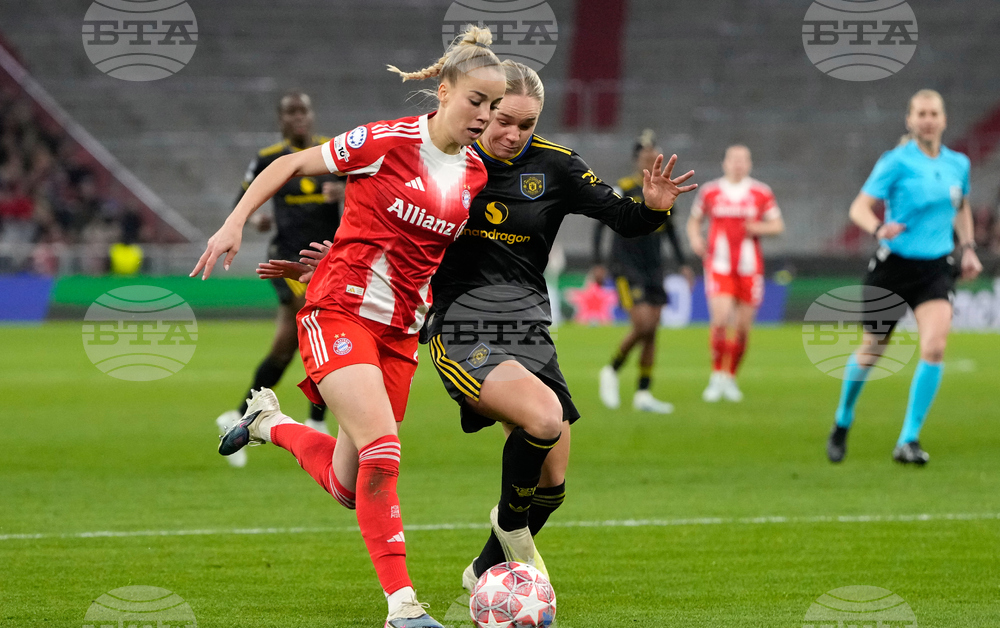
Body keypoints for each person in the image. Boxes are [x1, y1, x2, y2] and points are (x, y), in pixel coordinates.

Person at [258, 61, 698, 594]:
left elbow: (623, 217)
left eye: (526, 124)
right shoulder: (448, 163)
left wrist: (653, 211)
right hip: (462, 325)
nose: (512, 133)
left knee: (552, 482)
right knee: (542, 420)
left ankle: (485, 572)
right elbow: (394, 232)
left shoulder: (557, 168)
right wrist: (341, 259)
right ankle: (506, 537)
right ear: (482, 109)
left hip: (530, 329)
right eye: (501, 118)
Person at [190, 26, 506, 628]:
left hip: (400, 334)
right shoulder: (386, 140)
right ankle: (403, 606)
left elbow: (414, 252)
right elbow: (290, 163)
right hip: (338, 311)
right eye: (476, 101)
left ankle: (268, 424)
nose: (485, 116)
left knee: (348, 481)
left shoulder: (473, 177)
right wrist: (233, 224)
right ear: (444, 92)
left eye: (493, 106)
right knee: (383, 452)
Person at [827, 90, 982, 465]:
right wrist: (879, 227)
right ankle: (843, 419)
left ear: (944, 120)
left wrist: (969, 246)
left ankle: (908, 439)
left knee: (934, 348)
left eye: (934, 113)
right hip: (893, 268)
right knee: (872, 350)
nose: (928, 120)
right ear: (909, 120)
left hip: (935, 270)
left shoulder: (958, 164)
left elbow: (960, 206)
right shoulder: (895, 162)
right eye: (921, 114)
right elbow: (858, 207)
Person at [215, 92, 345, 469]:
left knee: (285, 349)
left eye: (304, 109)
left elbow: (370, 192)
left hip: (328, 261)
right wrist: (255, 220)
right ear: (281, 119)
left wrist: (346, 190)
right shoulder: (268, 159)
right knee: (321, 325)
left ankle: (239, 417)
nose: (299, 117)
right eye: (291, 112)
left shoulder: (332, 153)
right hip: (287, 261)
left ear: (312, 114)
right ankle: (316, 420)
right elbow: (244, 202)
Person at [593, 129, 694, 413]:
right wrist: (598, 262)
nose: (650, 160)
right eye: (646, 156)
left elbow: (672, 232)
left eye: (654, 156)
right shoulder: (624, 188)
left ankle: (643, 393)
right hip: (626, 265)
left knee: (653, 332)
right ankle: (611, 370)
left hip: (654, 266)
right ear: (637, 160)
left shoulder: (664, 190)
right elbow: (600, 223)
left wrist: (683, 264)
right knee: (644, 325)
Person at [686, 145, 784, 402]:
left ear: (749, 164)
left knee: (742, 329)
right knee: (720, 319)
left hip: (750, 269)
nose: (738, 164)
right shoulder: (710, 191)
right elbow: (694, 220)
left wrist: (758, 227)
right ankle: (716, 375)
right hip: (718, 265)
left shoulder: (761, 192)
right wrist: (695, 238)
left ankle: (730, 377)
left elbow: (777, 225)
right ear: (725, 163)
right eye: (734, 159)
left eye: (743, 160)